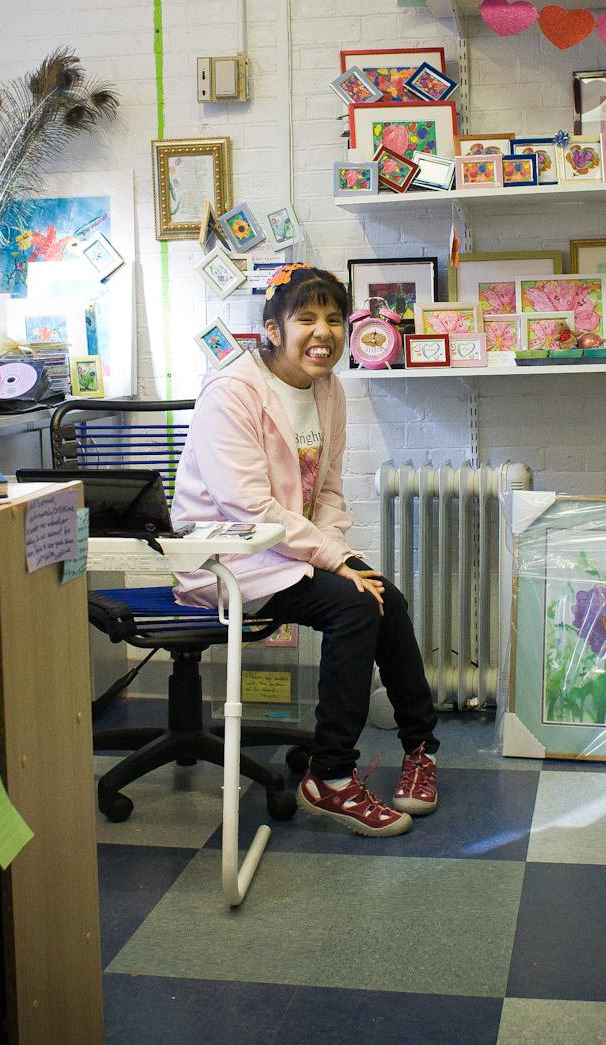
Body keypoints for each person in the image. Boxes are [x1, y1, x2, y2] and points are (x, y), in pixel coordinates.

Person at [171, 264, 439, 838]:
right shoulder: (232, 393)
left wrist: (336, 553)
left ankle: (421, 749)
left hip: (288, 552)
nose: (324, 333)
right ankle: (332, 778)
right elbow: (249, 508)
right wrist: (337, 563)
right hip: (229, 556)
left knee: (384, 596)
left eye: (335, 319)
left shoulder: (327, 389)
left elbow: (328, 488)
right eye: (306, 319)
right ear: (272, 329)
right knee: (356, 605)